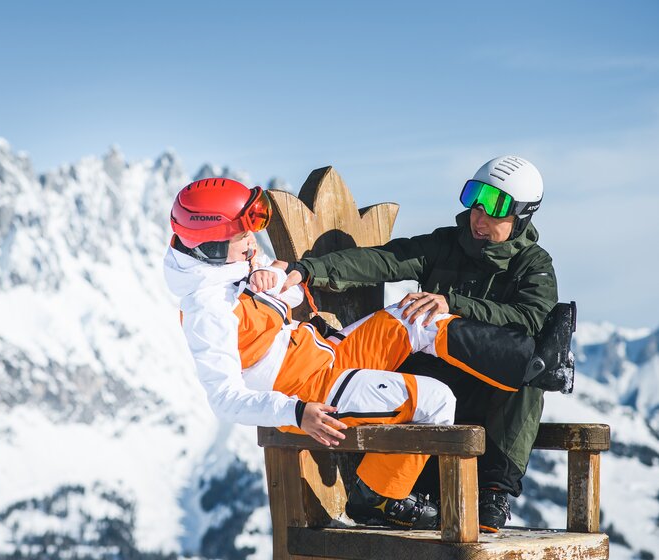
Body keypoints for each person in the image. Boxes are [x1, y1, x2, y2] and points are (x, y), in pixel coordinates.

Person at [164, 176, 574, 531]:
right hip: (310, 390)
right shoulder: (208, 310)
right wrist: (296, 412)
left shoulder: (235, 266)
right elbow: (224, 399)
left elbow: (287, 294)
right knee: (436, 401)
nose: (252, 245)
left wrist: (273, 275)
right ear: (211, 245)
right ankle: (377, 498)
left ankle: (535, 366)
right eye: (242, 239)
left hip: (327, 352)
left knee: (420, 314)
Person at [282, 155, 575, 532]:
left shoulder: (532, 264)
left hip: (489, 393)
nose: (480, 217)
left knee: (530, 369)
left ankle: (493, 491)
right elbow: (383, 261)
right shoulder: (446, 244)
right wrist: (310, 269)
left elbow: (532, 319)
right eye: (476, 201)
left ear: (522, 216)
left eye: (495, 208)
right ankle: (389, 489)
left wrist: (455, 304)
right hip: (435, 385)